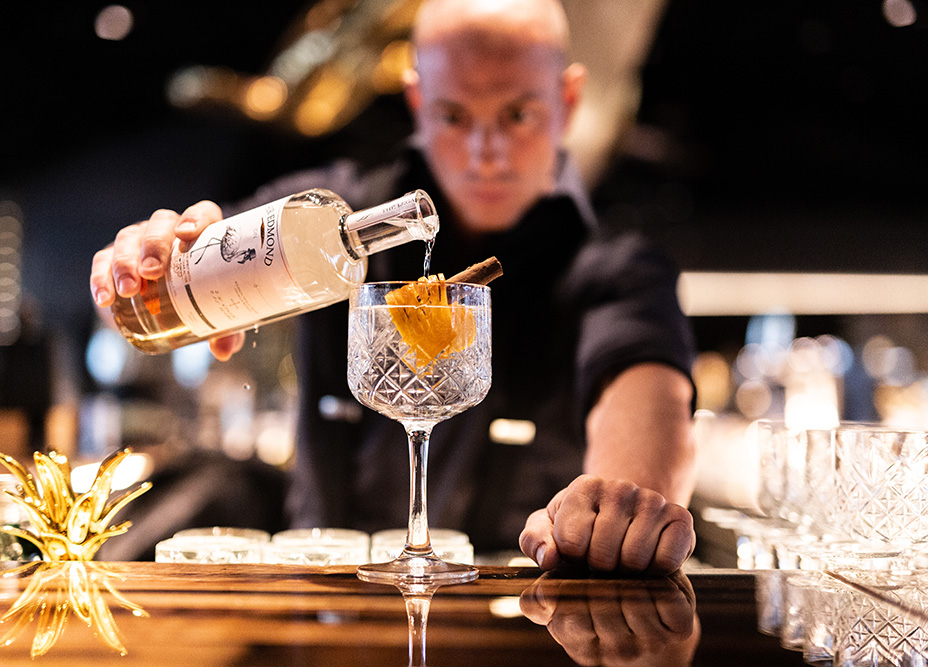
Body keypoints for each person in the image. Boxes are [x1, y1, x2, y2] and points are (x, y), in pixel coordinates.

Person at [90, 0, 697, 574]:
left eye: (518, 114)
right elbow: (156, 290)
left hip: (512, 616)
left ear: (567, 100)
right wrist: (147, 264)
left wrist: (620, 504)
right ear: (416, 99)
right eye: (453, 116)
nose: (485, 151)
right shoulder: (330, 221)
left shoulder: (617, 267)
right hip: (320, 609)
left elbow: (652, 400)